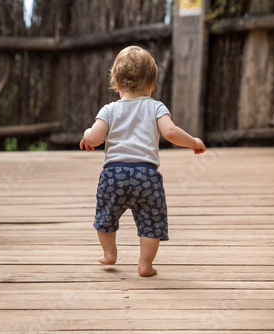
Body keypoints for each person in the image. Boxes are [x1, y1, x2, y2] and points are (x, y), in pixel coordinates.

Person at [80, 46, 206, 277]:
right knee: (151, 220)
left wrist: (87, 133)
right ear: (151, 84)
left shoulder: (109, 110)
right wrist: (193, 141)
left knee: (105, 216)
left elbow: (95, 138)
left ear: (116, 83)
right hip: (147, 176)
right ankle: (145, 264)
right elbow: (170, 132)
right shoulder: (156, 107)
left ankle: (109, 253)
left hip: (113, 175)